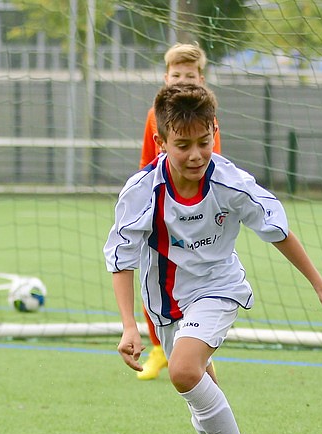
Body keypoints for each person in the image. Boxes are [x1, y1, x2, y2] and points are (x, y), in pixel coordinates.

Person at [105, 83, 322, 434]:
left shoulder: (230, 182)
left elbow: (278, 230)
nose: (196, 154)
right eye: (183, 145)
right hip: (165, 303)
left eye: (204, 142)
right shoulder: (142, 191)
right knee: (200, 390)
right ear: (160, 142)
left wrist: (321, 287)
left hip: (218, 288)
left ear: (215, 132)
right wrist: (129, 325)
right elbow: (121, 257)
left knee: (184, 371)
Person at [136, 43, 224, 381]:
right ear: (165, 78)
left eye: (189, 75)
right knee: (152, 280)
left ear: (201, 79)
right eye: (176, 75)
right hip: (162, 211)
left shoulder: (206, 117)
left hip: (197, 216)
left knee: (194, 281)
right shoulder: (154, 115)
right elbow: (146, 163)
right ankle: (159, 348)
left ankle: (193, 347)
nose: (182, 81)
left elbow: (214, 167)